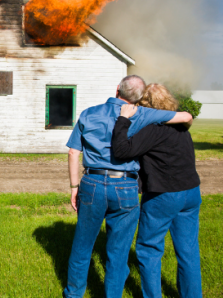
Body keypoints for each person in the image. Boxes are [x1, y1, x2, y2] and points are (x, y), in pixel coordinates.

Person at [63, 75, 193, 298]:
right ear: (139, 97)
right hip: (125, 186)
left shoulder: (88, 113)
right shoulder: (143, 114)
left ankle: (74, 294)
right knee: (119, 251)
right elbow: (185, 116)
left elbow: (74, 152)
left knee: (82, 245)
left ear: (117, 89)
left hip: (91, 183)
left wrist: (75, 186)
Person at [111, 83, 202, 298]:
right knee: (188, 251)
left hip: (163, 194)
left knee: (149, 249)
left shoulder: (154, 129)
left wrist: (123, 121)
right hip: (191, 192)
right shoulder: (181, 127)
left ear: (144, 104)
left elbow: (122, 151)